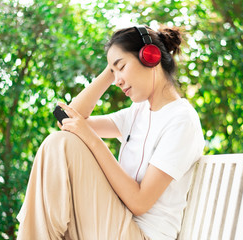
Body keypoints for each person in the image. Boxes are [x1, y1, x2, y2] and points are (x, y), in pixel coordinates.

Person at [16, 25, 205, 240]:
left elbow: (140, 202)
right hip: (114, 224)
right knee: (59, 141)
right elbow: (67, 118)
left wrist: (92, 139)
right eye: (113, 72)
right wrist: (111, 68)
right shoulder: (138, 112)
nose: (117, 81)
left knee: (63, 144)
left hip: (141, 235)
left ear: (150, 57)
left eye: (122, 67)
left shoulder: (181, 119)